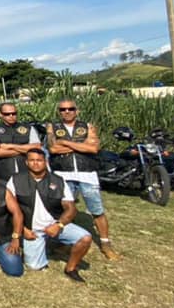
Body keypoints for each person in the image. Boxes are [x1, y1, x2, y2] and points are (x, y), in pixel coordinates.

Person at [47, 100, 121, 261]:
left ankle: (105, 244)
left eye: (70, 109)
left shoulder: (88, 127)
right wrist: (81, 145)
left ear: (77, 110)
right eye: (63, 109)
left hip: (87, 174)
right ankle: (65, 243)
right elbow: (53, 148)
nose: (67, 112)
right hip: (63, 174)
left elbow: (93, 148)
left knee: (97, 210)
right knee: (64, 210)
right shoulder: (52, 127)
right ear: (59, 111)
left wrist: (64, 142)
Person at [8, 150, 93, 283]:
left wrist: (59, 225)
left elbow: (71, 209)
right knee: (34, 266)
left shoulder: (58, 180)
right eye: (32, 160)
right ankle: (48, 246)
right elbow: (9, 210)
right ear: (26, 162)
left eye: (39, 160)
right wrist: (23, 230)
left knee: (85, 238)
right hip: (31, 229)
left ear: (45, 162)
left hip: (54, 225)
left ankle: (70, 268)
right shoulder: (15, 180)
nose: (35, 163)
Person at [0, 103, 42, 181]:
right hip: (3, 174)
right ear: (0, 115)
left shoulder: (29, 128)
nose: (11, 116)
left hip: (26, 172)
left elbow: (37, 148)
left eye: (14, 113)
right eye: (7, 114)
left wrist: (10, 146)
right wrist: (24, 150)